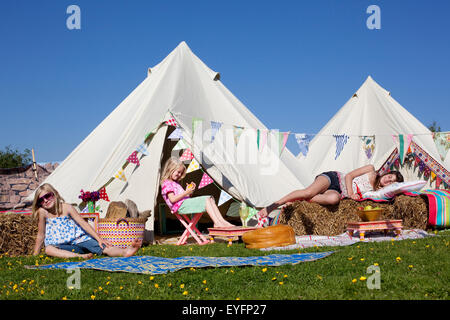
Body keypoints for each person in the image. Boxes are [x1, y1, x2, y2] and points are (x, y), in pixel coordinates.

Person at [32, 183, 142, 259]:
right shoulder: (43, 212)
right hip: (64, 247)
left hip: (81, 240)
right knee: (49, 249)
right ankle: (80, 257)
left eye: (47, 196)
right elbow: (40, 235)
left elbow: (83, 223)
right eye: (41, 200)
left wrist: (99, 239)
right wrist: (35, 255)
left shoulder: (66, 207)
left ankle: (125, 251)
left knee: (104, 247)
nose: (45, 200)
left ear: (54, 194)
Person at [258, 164, 404, 218]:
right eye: (390, 177)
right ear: (387, 173)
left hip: (338, 192)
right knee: (308, 192)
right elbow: (349, 175)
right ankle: (272, 205)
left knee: (333, 200)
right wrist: (351, 193)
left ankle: (297, 202)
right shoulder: (371, 170)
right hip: (334, 178)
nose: (388, 180)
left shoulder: (376, 193)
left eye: (392, 182)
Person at [160, 157, 235, 228]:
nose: (179, 175)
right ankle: (216, 222)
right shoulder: (167, 183)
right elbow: (172, 199)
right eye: (178, 172)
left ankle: (222, 221)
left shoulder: (175, 183)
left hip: (184, 204)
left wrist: (189, 192)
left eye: (181, 173)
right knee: (206, 199)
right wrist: (186, 193)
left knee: (210, 198)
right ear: (170, 169)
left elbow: (184, 197)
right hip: (180, 207)